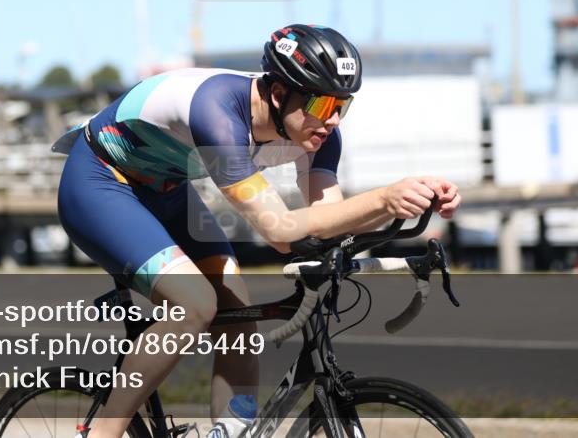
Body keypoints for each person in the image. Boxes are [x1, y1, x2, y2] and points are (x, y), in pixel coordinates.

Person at [55, 24, 462, 438]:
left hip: (167, 189)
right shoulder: (217, 113)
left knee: (237, 311)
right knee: (195, 303)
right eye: (322, 104)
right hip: (100, 183)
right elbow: (279, 230)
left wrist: (412, 205)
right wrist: (382, 200)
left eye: (343, 106)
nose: (333, 120)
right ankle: (102, 432)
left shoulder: (319, 133)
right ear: (279, 93)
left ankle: (229, 431)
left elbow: (331, 219)